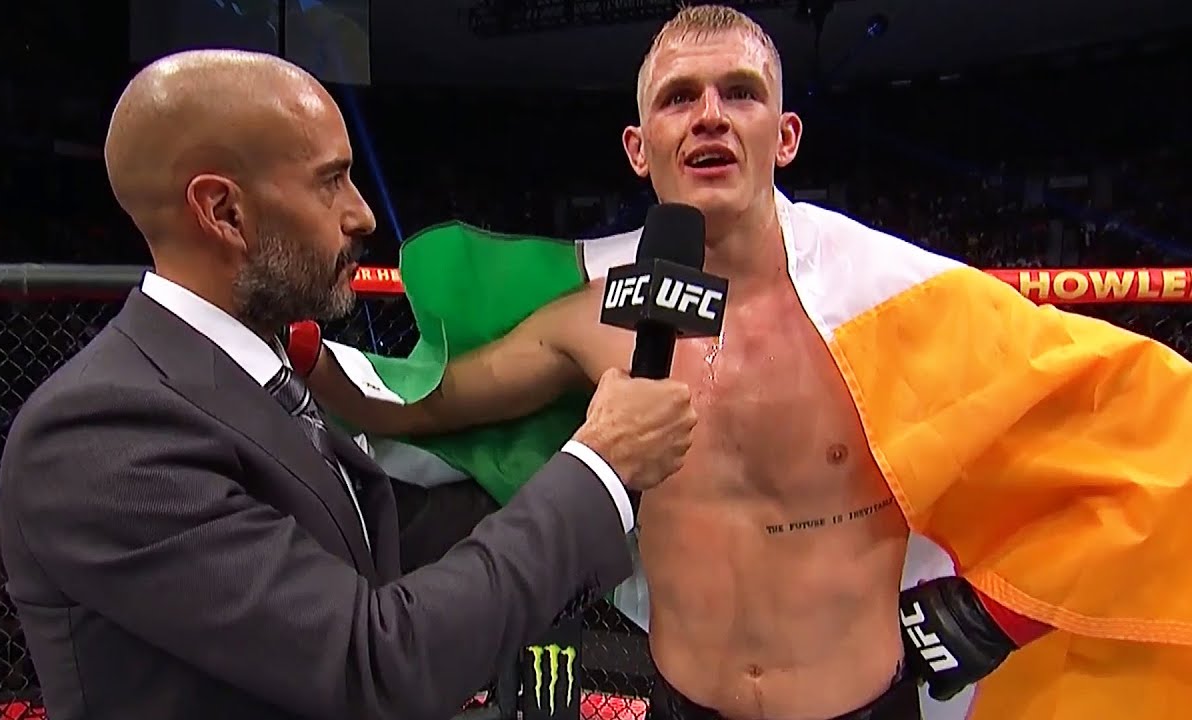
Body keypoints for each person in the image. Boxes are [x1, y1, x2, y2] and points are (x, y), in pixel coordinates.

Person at [292, 6, 1192, 720]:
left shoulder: (895, 311)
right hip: (684, 700)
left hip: (860, 708)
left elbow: (1155, 438)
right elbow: (428, 406)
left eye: (740, 92)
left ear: (786, 135)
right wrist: (307, 361)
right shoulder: (595, 323)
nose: (711, 115)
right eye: (680, 97)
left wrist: (1000, 611)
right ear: (640, 149)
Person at [0, 49, 698, 720]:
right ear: (224, 211)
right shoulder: (101, 434)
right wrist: (600, 468)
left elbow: (364, 555)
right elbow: (374, 667)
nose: (362, 214)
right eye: (331, 180)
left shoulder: (251, 381)